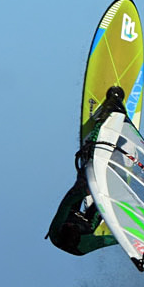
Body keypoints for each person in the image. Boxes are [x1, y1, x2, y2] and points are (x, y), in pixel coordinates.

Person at [46, 86, 127, 256]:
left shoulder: (56, 231)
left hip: (70, 214)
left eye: (70, 225)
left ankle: (101, 127)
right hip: (85, 230)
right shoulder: (84, 243)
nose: (71, 225)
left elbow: (67, 202)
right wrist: (135, 245)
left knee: (85, 180)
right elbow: (109, 240)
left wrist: (85, 189)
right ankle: (112, 172)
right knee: (104, 200)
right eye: (72, 227)